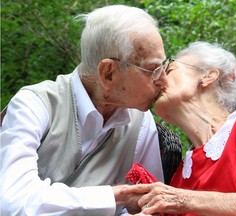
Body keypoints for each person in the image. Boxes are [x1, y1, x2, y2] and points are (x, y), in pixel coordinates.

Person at [0, 5, 170, 215]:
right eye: (153, 70)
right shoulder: (34, 104)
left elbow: (144, 204)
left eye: (164, 66)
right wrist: (112, 196)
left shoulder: (141, 120)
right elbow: (12, 203)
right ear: (108, 73)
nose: (164, 80)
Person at [121, 41, 236, 216]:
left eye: (169, 70)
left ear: (208, 76)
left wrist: (182, 200)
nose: (157, 80)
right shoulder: (180, 175)